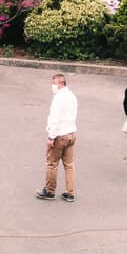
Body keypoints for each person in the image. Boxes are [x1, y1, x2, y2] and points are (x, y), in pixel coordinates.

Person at [36, 72, 78, 202]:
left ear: (60, 83)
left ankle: (49, 191)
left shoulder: (58, 99)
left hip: (60, 135)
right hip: (71, 133)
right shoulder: (72, 96)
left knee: (52, 163)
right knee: (69, 165)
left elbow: (55, 120)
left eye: (54, 83)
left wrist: (50, 137)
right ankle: (70, 192)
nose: (52, 86)